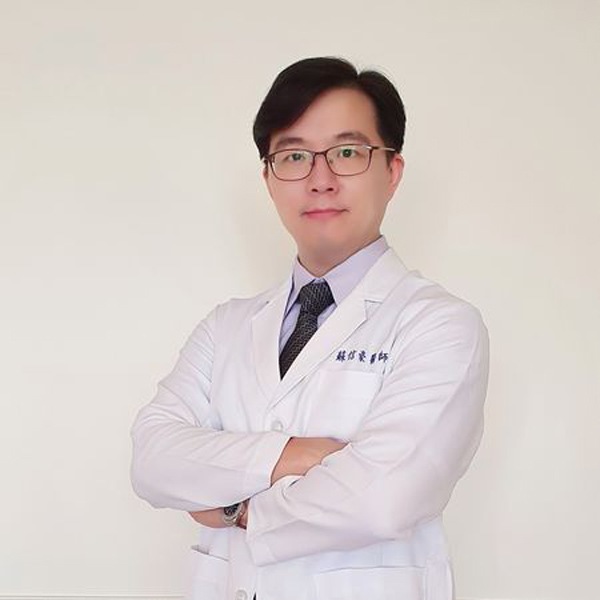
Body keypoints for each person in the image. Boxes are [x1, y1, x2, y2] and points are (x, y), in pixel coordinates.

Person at [131, 56, 489, 600]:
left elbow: (382, 498)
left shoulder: (440, 325)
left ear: (392, 171)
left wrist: (234, 507)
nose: (320, 180)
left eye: (347, 153)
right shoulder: (226, 326)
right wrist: (291, 454)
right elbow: (153, 460)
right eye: (294, 156)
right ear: (269, 180)